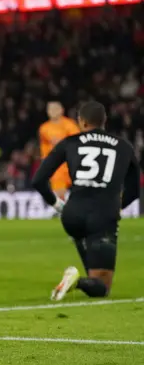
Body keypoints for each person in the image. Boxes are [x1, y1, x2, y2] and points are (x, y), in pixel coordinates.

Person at [31, 101, 141, 301]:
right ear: (104, 121)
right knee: (102, 288)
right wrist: (118, 206)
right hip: (103, 216)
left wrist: (58, 205)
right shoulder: (124, 147)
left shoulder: (70, 142)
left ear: (81, 122)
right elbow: (134, 190)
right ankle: (77, 281)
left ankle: (81, 277)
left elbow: (38, 180)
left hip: (72, 215)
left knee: (89, 257)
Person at [38, 101, 80, 200]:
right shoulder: (44, 128)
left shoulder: (70, 125)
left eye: (55, 109)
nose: (52, 111)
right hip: (56, 164)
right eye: (50, 109)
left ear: (62, 110)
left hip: (71, 161)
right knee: (59, 190)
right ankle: (63, 210)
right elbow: (46, 145)